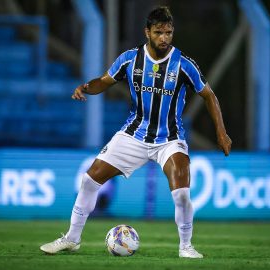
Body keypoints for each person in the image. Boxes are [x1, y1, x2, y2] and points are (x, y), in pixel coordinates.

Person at [40, 6, 232, 259]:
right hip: (133, 134)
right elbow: (105, 81)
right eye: (159, 32)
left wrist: (221, 132)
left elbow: (209, 96)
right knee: (89, 180)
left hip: (170, 139)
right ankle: (71, 239)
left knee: (182, 194)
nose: (164, 38)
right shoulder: (130, 59)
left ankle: (186, 246)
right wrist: (86, 87)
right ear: (147, 32)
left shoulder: (184, 64)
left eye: (169, 32)